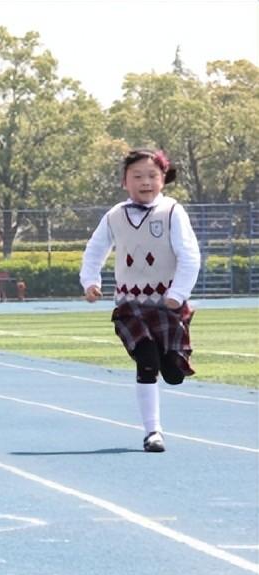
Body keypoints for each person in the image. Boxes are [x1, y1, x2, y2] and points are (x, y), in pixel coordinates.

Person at [80, 149, 199, 452]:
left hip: (166, 305)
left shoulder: (173, 212)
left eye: (152, 176)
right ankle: (153, 432)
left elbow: (190, 256)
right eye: (137, 176)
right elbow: (95, 251)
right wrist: (91, 282)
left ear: (162, 179)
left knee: (173, 374)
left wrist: (177, 295)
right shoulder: (115, 216)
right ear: (125, 182)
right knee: (146, 361)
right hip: (131, 305)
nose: (145, 182)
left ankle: (175, 356)